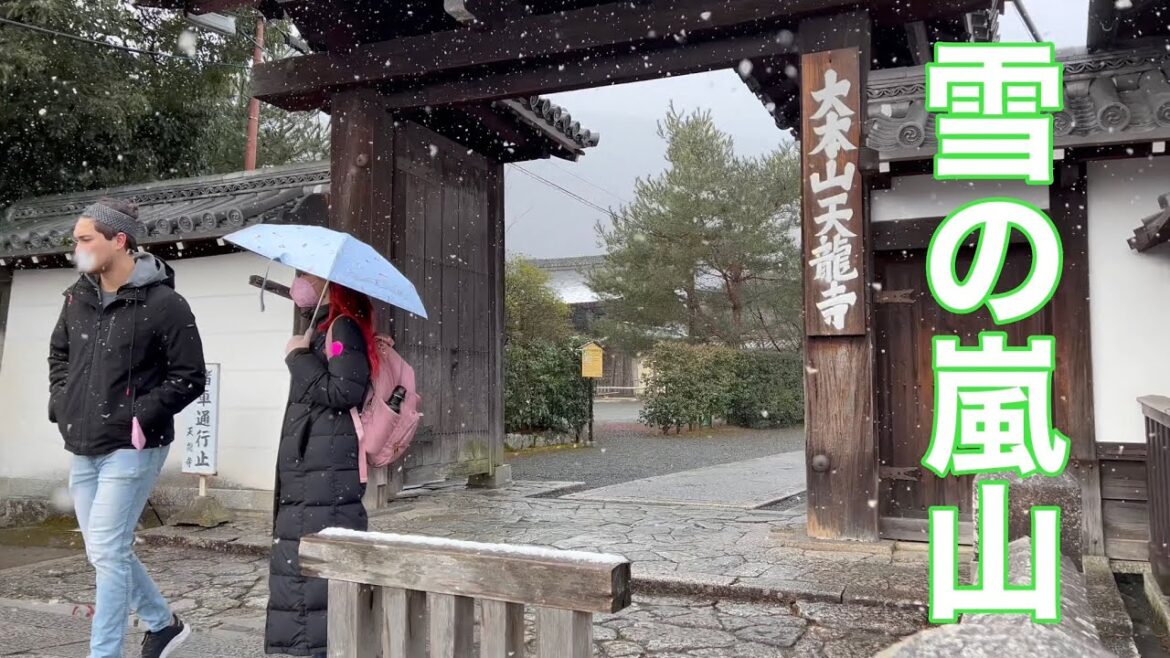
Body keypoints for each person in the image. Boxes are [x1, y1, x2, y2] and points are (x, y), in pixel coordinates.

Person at [48, 197, 207, 658]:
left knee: (108, 551)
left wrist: (139, 414)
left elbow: (190, 376)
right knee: (104, 550)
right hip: (82, 442)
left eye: (85, 239)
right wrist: (62, 401)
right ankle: (163, 624)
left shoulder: (165, 304)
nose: (76, 248)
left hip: (134, 445)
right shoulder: (77, 295)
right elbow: (59, 355)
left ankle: (105, 653)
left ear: (119, 241)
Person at [265, 273, 375, 657]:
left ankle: (312, 650)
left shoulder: (343, 328)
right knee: (300, 571)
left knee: (308, 573)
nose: (299, 284)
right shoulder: (328, 327)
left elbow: (344, 390)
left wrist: (297, 356)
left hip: (323, 473)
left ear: (334, 284)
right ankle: (305, 648)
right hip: (314, 468)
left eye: (308, 276)